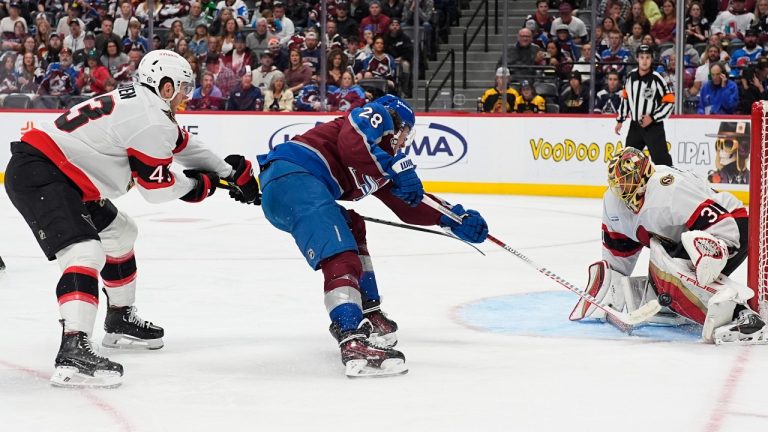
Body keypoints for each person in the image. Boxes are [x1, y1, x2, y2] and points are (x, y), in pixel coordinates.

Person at [3, 50, 259, 388]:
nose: (186, 95)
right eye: (182, 88)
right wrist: (201, 185)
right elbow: (157, 188)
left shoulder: (145, 106)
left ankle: (119, 318)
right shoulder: (150, 117)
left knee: (121, 232)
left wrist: (229, 172)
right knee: (85, 253)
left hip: (67, 176)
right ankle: (73, 349)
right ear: (164, 85)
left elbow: (184, 144)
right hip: (45, 174)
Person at [255, 94, 488, 376]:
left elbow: (408, 204)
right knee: (339, 251)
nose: (404, 142)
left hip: (292, 186)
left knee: (352, 227)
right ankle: (351, 337)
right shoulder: (377, 116)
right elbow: (353, 145)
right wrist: (394, 167)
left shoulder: (377, 161)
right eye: (404, 134)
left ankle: (368, 312)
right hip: (295, 178)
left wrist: (452, 219)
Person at [570, 147, 765, 345]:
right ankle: (676, 303)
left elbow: (725, 227)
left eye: (628, 179)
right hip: (687, 237)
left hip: (731, 225)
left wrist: (713, 255)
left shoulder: (668, 189)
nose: (622, 187)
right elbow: (618, 254)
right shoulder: (613, 203)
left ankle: (744, 318)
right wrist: (608, 292)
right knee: (664, 278)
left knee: (671, 276)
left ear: (644, 174)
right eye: (618, 182)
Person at [615, 45, 674, 166]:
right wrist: (620, 119)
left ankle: (668, 183)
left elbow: (669, 101)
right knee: (628, 160)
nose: (645, 60)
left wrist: (652, 117)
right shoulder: (630, 77)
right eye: (642, 57)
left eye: (647, 57)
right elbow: (626, 99)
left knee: (662, 161)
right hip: (635, 126)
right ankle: (630, 184)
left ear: (651, 59)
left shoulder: (657, 79)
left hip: (654, 127)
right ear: (637, 59)